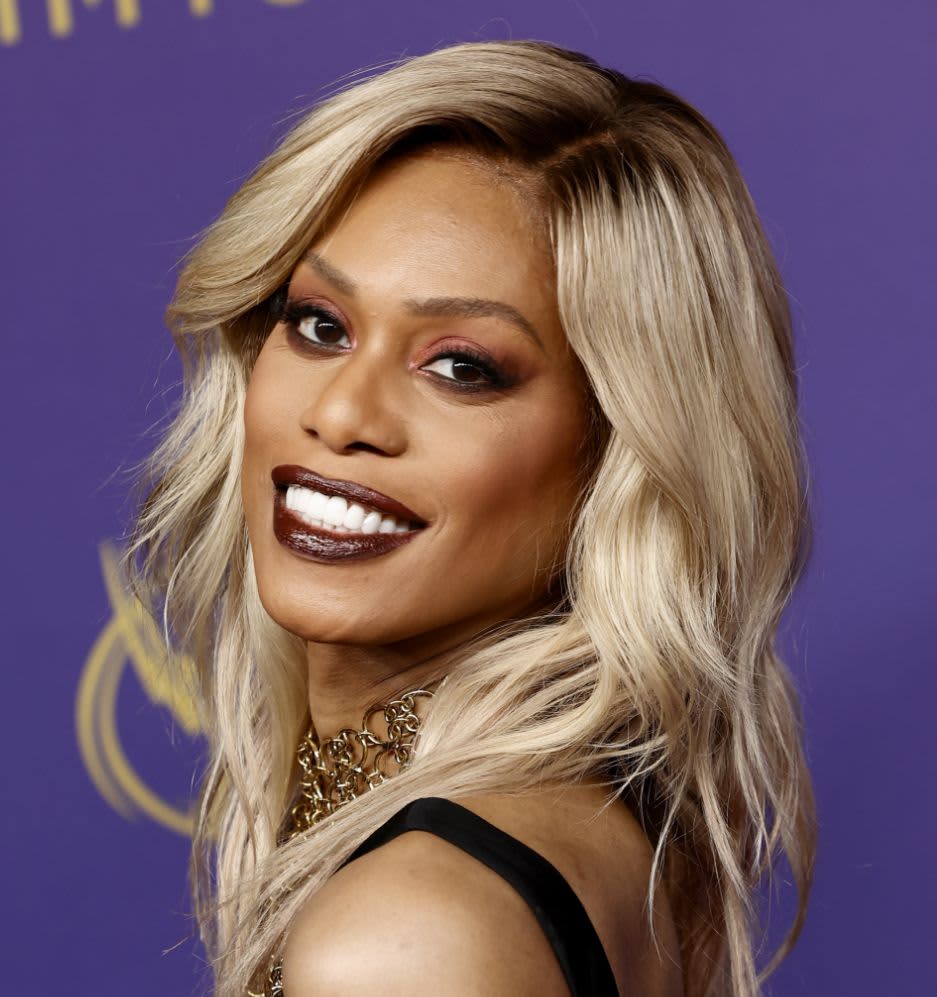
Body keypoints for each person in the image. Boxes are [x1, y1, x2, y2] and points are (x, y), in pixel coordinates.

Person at [127, 39, 816, 997]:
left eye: (462, 366)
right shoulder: (598, 826)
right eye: (320, 324)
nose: (341, 413)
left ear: (619, 452)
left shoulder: (412, 931)